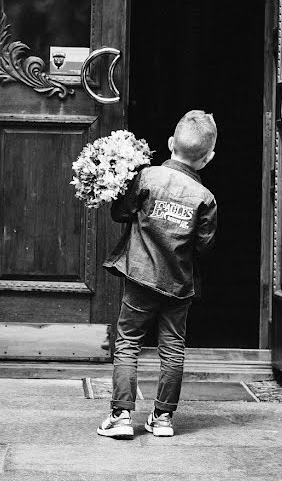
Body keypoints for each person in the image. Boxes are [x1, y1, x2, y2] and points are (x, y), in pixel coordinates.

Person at [97, 110, 218, 440]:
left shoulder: (148, 178)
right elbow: (204, 246)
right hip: (178, 285)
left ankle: (121, 415)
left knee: (127, 343)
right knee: (173, 349)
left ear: (169, 143)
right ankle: (162, 418)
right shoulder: (205, 199)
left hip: (140, 278)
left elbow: (121, 212)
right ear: (208, 158)